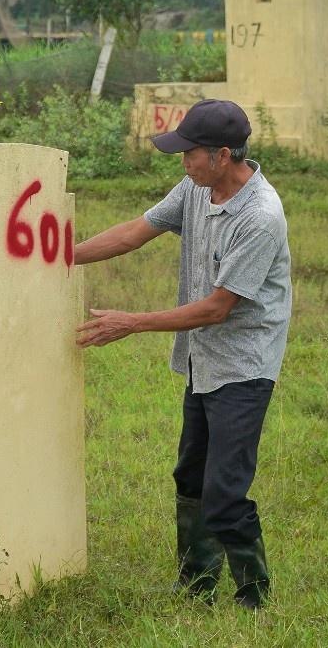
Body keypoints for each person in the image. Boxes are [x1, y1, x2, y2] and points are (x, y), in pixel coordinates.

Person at [74, 98, 292, 610]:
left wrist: (131, 323)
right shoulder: (196, 188)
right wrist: (59, 255)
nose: (183, 162)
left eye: (189, 153)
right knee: (191, 475)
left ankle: (253, 596)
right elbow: (134, 233)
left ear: (222, 155)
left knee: (225, 489)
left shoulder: (260, 217)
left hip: (243, 365)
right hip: (203, 360)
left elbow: (217, 308)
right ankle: (196, 583)